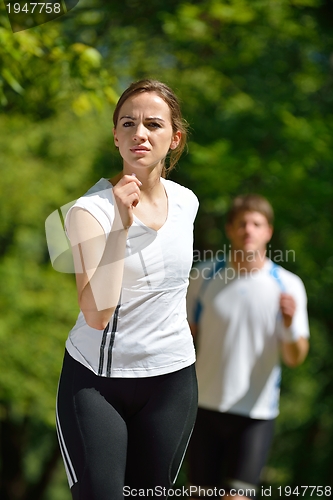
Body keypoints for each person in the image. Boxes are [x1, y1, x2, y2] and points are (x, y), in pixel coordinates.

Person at [55, 79, 199, 500]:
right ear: (115, 137)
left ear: (174, 139)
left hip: (172, 382)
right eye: (128, 123)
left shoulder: (187, 202)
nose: (140, 133)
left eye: (153, 124)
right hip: (97, 384)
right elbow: (98, 314)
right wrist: (121, 222)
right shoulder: (88, 212)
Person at [186, 194, 309, 500]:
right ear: (230, 229)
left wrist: (291, 322)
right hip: (202, 407)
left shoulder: (288, 285)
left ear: (268, 231)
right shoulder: (203, 276)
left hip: (256, 413)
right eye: (241, 223)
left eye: (257, 223)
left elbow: (295, 358)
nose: (248, 230)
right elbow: (183, 339)